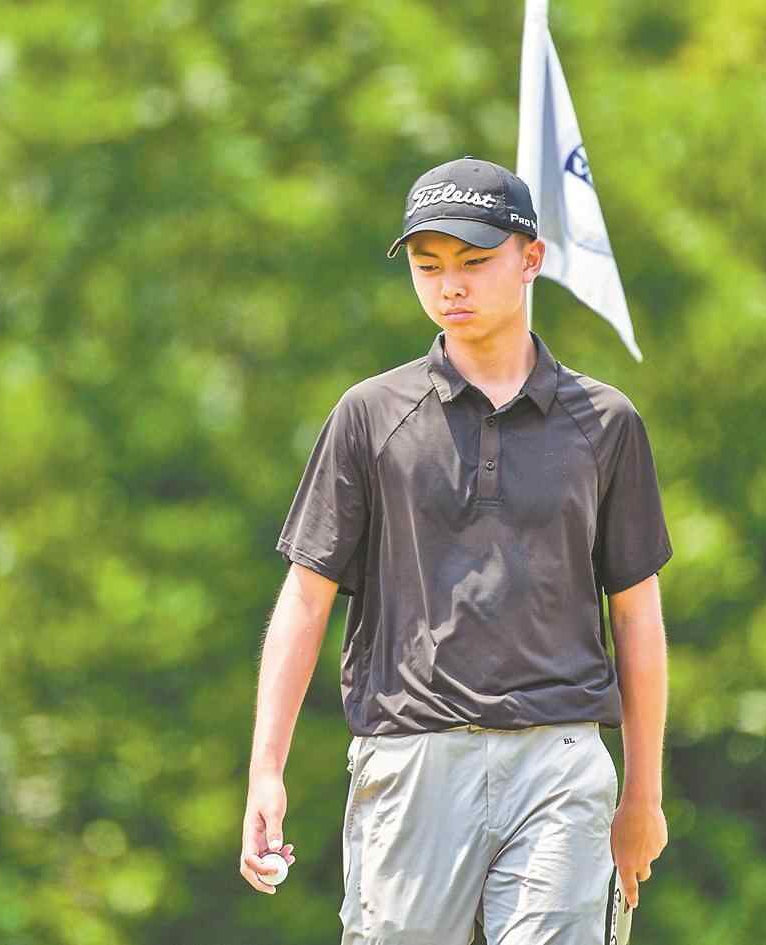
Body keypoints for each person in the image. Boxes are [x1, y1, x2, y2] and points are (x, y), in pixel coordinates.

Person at [239, 156, 671, 945]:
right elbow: (304, 596)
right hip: (412, 760)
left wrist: (643, 793)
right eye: (427, 265)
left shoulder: (605, 423)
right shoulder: (369, 415)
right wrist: (266, 769)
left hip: (559, 759)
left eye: (473, 262)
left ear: (530, 259)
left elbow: (636, 615)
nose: (449, 286)